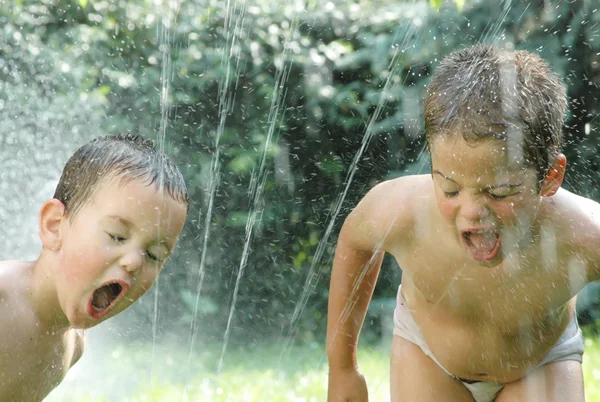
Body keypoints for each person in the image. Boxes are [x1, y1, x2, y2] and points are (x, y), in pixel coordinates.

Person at [326, 44, 597, 402]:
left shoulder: (583, 234)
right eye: (450, 188)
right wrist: (342, 368)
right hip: (428, 356)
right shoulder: (402, 212)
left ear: (550, 176)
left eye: (500, 192)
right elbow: (355, 241)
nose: (472, 211)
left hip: (541, 363)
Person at [0, 134, 188, 401]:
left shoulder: (72, 347)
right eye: (117, 236)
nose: (134, 262)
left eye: (154, 254)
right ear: (54, 225)